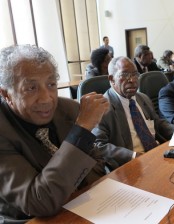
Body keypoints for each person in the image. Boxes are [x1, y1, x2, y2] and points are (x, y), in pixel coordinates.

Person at [0, 45, 110, 222]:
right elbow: (38, 201)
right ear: (6, 94)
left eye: (51, 84)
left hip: (84, 207)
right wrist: (80, 131)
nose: (47, 98)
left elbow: (97, 165)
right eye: (31, 88)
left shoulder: (69, 109)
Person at [92, 56, 174, 168]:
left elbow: (158, 123)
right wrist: (133, 156)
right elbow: (98, 145)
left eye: (135, 74)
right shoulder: (101, 108)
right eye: (124, 75)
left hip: (157, 155)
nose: (132, 80)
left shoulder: (143, 98)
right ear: (111, 79)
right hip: (131, 165)